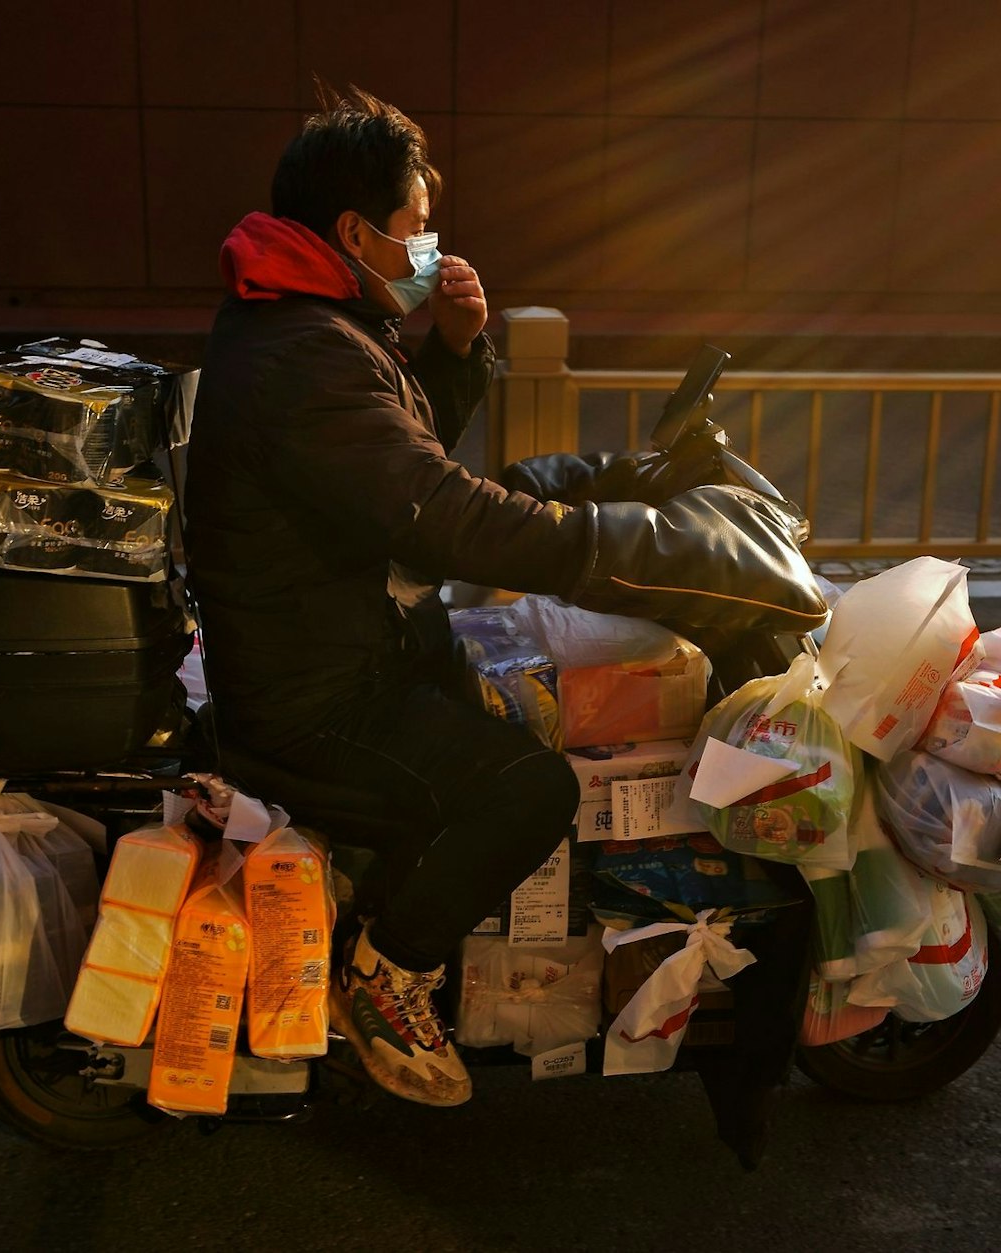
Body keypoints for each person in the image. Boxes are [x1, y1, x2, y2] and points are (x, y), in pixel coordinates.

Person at [183, 86, 826, 1108]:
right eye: (414, 225)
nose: (428, 244)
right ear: (353, 232)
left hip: (349, 639)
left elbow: (380, 466)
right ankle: (385, 973)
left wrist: (450, 348)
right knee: (528, 789)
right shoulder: (303, 352)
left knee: (518, 693)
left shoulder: (310, 322)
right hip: (319, 692)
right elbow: (436, 510)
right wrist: (627, 546)